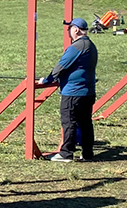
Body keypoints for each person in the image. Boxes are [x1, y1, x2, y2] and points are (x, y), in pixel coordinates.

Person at [37, 18, 96, 162]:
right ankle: (87, 153)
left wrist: (47, 79)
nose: (68, 32)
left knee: (69, 121)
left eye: (69, 29)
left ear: (75, 30)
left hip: (73, 92)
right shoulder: (90, 45)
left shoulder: (77, 46)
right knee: (85, 123)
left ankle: (66, 153)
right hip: (87, 91)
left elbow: (62, 65)